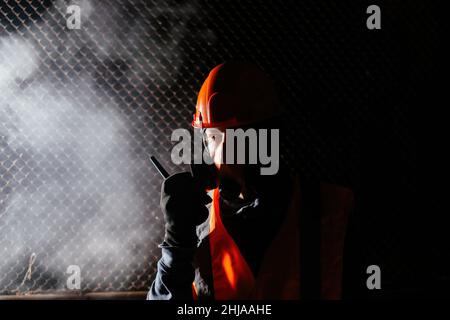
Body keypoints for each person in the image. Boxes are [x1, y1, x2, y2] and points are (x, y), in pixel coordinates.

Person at [148, 62, 354, 300]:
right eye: (215, 137)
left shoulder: (336, 210)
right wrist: (176, 244)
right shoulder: (197, 222)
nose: (228, 153)